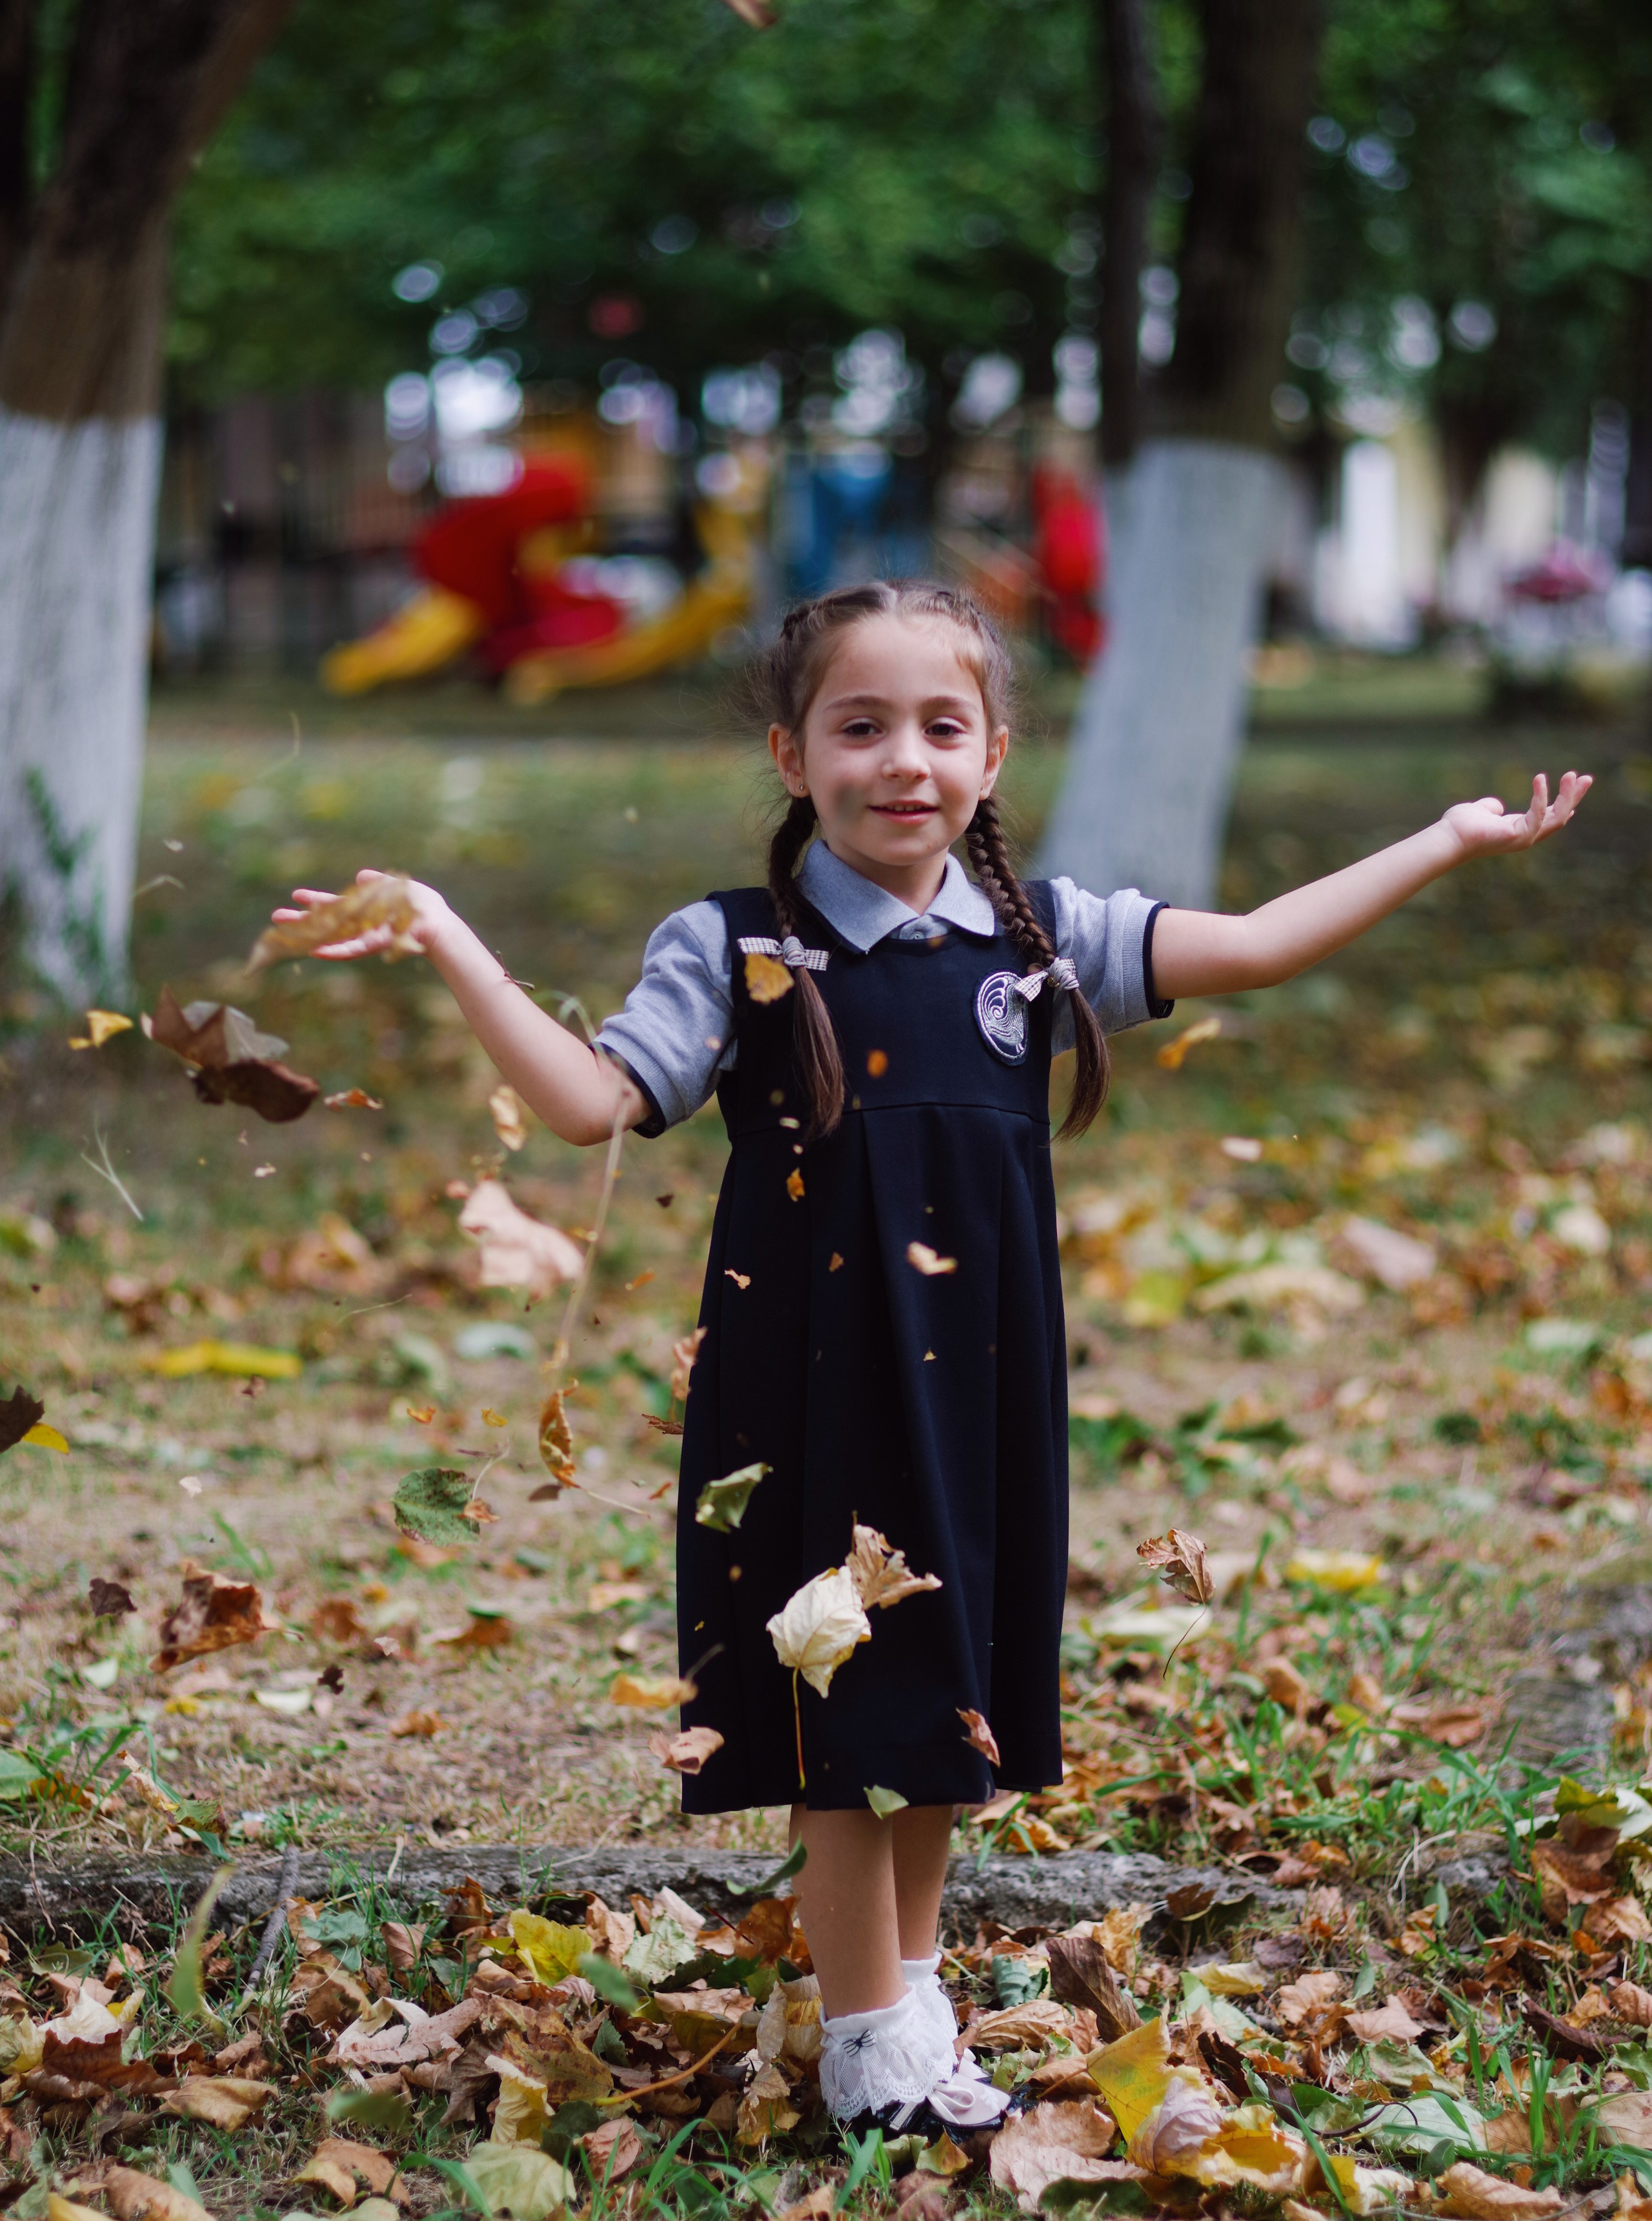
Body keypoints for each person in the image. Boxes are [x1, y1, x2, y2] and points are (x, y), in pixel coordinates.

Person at [273, 578, 1589, 2135]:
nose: (902, 759)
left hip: (978, 1397)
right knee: (855, 1732)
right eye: (859, 725)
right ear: (790, 751)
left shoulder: (1036, 942)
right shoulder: (738, 946)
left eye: (939, 726)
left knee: (942, 1723)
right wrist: (443, 933)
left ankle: (903, 2007)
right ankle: (867, 2052)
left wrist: (1444, 839)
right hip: (814, 1394)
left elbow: (1247, 945)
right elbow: (586, 1102)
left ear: (992, 753)